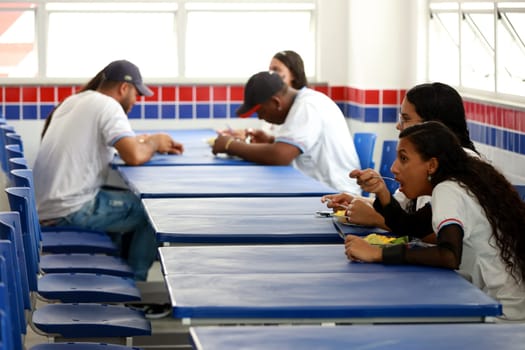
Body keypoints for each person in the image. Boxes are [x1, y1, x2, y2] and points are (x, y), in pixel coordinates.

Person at [345, 121, 525, 322]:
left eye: (403, 159)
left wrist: (378, 254)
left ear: (432, 165)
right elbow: (410, 225)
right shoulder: (460, 184)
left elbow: (448, 256)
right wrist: (382, 192)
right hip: (505, 305)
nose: (394, 168)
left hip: (502, 315)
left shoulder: (447, 190)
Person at [33, 59, 184, 282]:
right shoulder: (108, 105)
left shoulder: (75, 100)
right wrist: (154, 142)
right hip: (68, 210)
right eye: (137, 94)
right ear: (124, 88)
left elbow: (114, 144)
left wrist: (146, 141)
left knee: (128, 201)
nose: (136, 101)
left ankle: (115, 279)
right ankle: (135, 288)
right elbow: (133, 156)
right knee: (153, 213)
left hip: (46, 206)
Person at [321, 82, 479, 239]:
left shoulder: (460, 166)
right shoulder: (433, 157)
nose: (398, 126)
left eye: (406, 119)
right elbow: (402, 211)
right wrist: (355, 202)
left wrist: (375, 219)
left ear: (432, 126)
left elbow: (439, 238)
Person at [212, 70, 361, 194]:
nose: (261, 117)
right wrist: (271, 141)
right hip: (321, 190)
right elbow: (301, 151)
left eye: (260, 111)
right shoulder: (303, 102)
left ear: (276, 102)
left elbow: (280, 156)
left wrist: (230, 145)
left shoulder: (307, 106)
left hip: (338, 195)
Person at [219, 50, 309, 140]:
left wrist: (230, 146)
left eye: (276, 70)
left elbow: (283, 149)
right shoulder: (272, 106)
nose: (271, 74)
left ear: (293, 74)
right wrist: (247, 136)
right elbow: (274, 141)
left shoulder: (305, 106)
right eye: (270, 70)